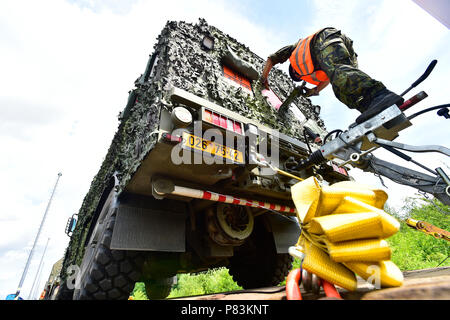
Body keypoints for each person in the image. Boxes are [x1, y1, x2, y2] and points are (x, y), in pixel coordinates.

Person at [260, 27, 404, 124]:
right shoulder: (318, 68)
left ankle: (380, 96)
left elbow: (272, 58)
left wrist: (264, 78)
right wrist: (313, 91)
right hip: (340, 49)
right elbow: (328, 79)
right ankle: (372, 108)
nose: (301, 76)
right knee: (341, 88)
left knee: (340, 74)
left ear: (294, 69)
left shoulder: (294, 50)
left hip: (325, 39)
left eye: (297, 74)